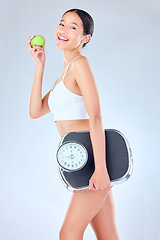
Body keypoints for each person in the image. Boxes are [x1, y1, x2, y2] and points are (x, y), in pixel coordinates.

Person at [27, 8, 120, 240]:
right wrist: (40, 66)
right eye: (62, 24)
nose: (63, 30)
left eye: (73, 27)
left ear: (85, 38)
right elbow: (35, 111)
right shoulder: (64, 74)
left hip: (92, 160)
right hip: (80, 161)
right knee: (108, 234)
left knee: (68, 233)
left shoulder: (80, 64)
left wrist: (100, 169)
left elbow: (96, 117)